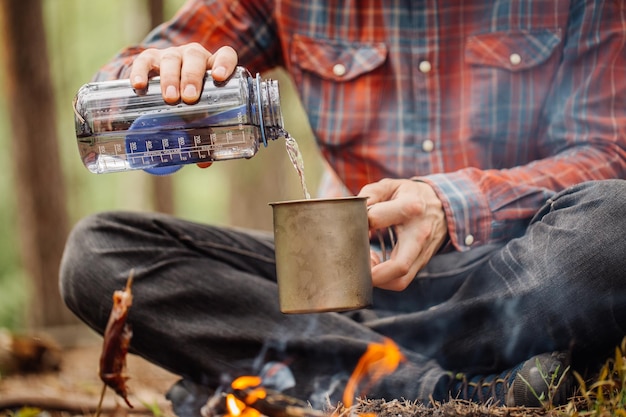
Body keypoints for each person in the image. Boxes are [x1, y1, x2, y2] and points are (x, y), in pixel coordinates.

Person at [60, 0, 626, 413]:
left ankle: (302, 362)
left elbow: (610, 152)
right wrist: (156, 74)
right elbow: (141, 61)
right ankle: (441, 389)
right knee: (97, 254)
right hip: (343, 276)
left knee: (617, 221)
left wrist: (450, 201)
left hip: (507, 275)